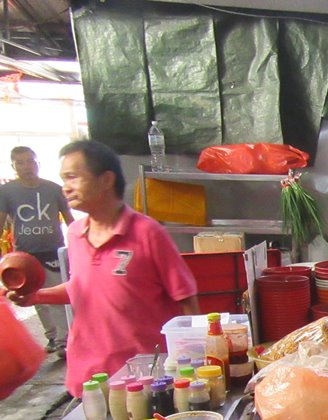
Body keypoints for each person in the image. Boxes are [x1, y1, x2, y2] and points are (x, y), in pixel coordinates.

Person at [6, 140, 199, 398]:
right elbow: (82, 287)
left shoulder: (147, 233)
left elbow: (186, 299)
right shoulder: (75, 233)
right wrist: (35, 296)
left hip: (143, 379)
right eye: (63, 178)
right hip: (89, 378)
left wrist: (190, 365)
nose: (65, 187)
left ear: (106, 180)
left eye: (73, 177)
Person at [0, 146, 75, 357]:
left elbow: (70, 219)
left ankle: (64, 341)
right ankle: (52, 336)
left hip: (53, 251)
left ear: (38, 164)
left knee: (57, 295)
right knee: (33, 297)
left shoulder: (53, 189)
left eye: (30, 161)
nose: (27, 167)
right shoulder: (6, 192)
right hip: (23, 255)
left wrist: (80, 244)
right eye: (21, 162)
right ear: (13, 166)